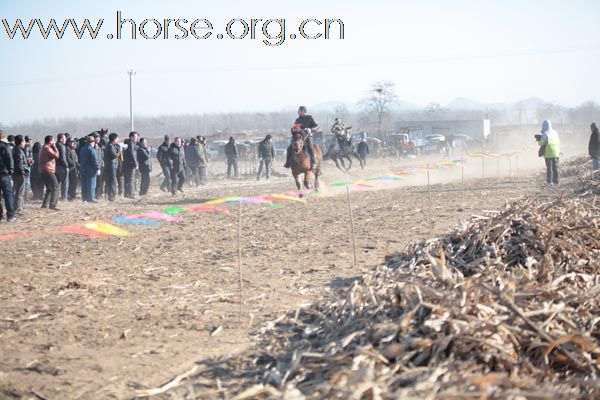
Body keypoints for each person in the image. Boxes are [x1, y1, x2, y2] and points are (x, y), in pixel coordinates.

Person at [285, 106, 318, 170]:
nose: (298, 112)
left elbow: (316, 126)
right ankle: (288, 162)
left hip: (308, 136)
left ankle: (313, 163)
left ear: (303, 111)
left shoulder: (310, 117)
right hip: (299, 137)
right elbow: (295, 127)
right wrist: (294, 129)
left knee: (310, 148)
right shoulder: (298, 120)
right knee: (289, 148)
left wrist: (311, 129)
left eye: (299, 111)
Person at [536, 119, 560, 186]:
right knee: (555, 167)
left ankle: (549, 181)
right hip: (556, 153)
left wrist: (538, 140)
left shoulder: (545, 133)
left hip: (548, 153)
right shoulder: (555, 133)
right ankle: (556, 181)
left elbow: (541, 143)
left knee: (549, 167)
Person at [39, 135, 60, 210]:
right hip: (48, 170)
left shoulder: (43, 148)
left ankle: (45, 205)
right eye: (53, 140)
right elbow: (56, 156)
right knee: (55, 186)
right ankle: (53, 205)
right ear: (50, 141)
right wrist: (55, 147)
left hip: (43, 170)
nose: (54, 142)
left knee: (50, 188)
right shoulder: (47, 149)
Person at [79, 135, 101, 203]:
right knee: (91, 185)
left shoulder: (82, 149)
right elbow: (95, 160)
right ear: (92, 142)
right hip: (90, 170)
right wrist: (97, 168)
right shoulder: (92, 150)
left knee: (84, 185)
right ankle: (91, 199)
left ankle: (84, 198)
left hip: (83, 169)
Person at [0, 131, 15, 222]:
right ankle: (10, 215)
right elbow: (9, 159)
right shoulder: (5, 146)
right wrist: (11, 171)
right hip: (4, 174)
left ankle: (0, 216)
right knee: (8, 195)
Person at [12, 135, 28, 215]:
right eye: (24, 141)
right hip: (19, 174)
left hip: (17, 173)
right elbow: (18, 164)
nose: (25, 143)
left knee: (18, 191)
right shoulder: (18, 151)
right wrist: (22, 172)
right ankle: (18, 209)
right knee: (19, 192)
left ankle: (19, 207)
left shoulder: (16, 150)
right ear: (21, 142)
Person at [123, 131, 139, 198]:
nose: (136, 138)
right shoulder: (131, 143)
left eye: (136, 137)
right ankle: (131, 194)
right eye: (135, 137)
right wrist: (135, 164)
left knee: (127, 179)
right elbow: (132, 154)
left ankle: (126, 194)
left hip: (127, 164)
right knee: (131, 179)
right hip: (130, 164)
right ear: (131, 137)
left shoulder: (128, 143)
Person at [103, 133, 119, 201]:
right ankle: (111, 196)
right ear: (114, 139)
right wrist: (119, 152)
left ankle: (112, 195)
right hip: (111, 166)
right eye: (117, 138)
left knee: (112, 181)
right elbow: (114, 155)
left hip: (112, 165)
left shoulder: (112, 145)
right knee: (112, 181)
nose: (118, 139)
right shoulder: (110, 146)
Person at [55, 133, 69, 201]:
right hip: (62, 167)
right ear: (61, 139)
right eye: (64, 138)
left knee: (56, 183)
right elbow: (63, 158)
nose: (66, 139)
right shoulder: (62, 146)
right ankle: (64, 198)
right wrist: (66, 166)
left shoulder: (55, 145)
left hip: (55, 167)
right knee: (64, 183)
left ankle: (55, 197)